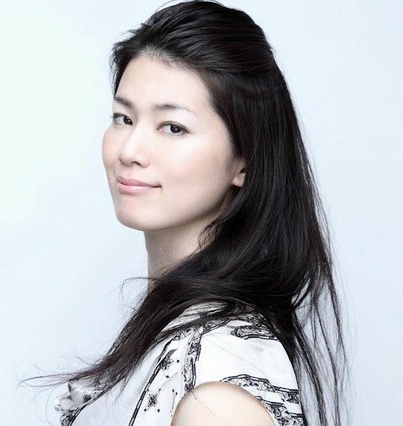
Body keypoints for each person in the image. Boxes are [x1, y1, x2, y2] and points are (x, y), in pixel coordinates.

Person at [22, 1, 348, 425]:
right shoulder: (181, 333)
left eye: (173, 127)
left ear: (244, 161)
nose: (130, 150)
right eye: (123, 118)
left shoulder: (218, 386)